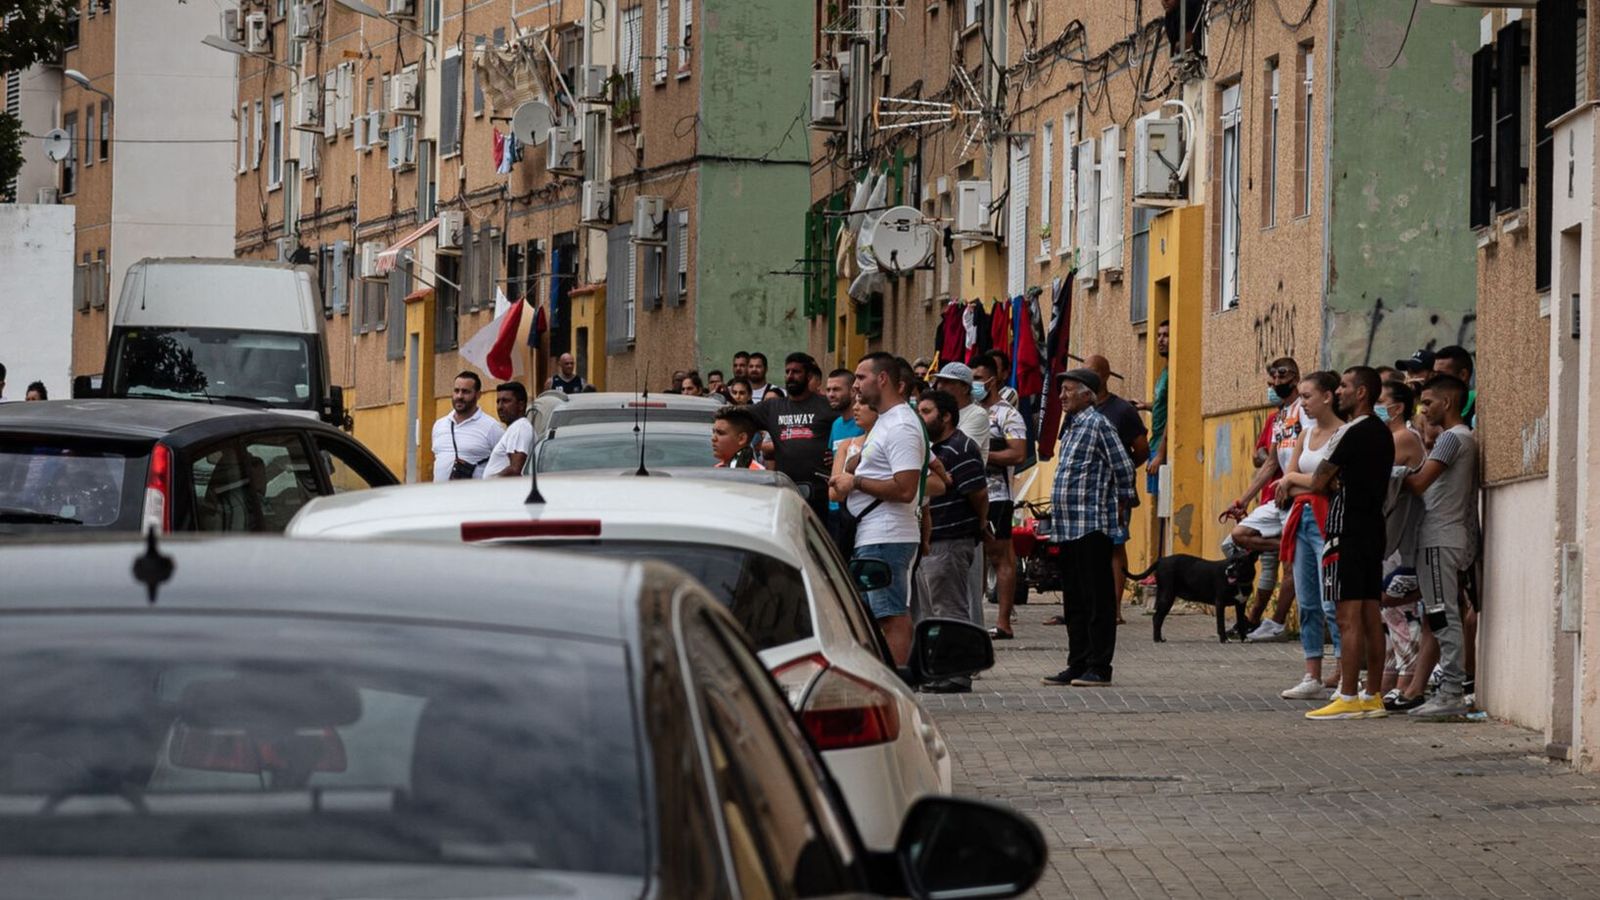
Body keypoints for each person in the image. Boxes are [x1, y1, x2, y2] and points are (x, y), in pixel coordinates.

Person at [1304, 366, 1396, 721]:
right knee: (1372, 614)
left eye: (1343, 386)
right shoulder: (1383, 433)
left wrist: (1333, 481)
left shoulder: (1351, 431)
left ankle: (1347, 694)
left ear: (1361, 393)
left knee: (1347, 616)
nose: (1338, 391)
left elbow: (1318, 480)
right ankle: (1373, 694)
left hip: (1346, 529)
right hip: (1374, 527)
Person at [1040, 368, 1136, 688]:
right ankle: (1077, 662)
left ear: (1087, 394)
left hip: (1092, 524)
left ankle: (1099, 666)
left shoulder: (1098, 424)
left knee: (1097, 599)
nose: (1062, 396)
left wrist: (1121, 505)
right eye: (1061, 391)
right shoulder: (1070, 427)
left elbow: (1123, 468)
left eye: (1068, 390)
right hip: (1068, 527)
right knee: (1074, 600)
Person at [831, 352, 928, 665]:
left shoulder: (901, 425)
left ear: (882, 379)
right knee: (876, 616)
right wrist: (859, 466)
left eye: (861, 378)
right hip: (874, 534)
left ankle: (899, 685)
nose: (855, 386)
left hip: (889, 535)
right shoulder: (886, 422)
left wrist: (855, 483)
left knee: (891, 616)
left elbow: (905, 488)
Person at [1399, 375, 1479, 718]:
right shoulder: (1464, 438)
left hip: (1439, 538)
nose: (1422, 408)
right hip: (1448, 538)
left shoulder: (1451, 439)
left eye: (1428, 402)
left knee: (1441, 615)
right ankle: (1449, 689)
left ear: (1447, 403)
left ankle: (1450, 693)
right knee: (1442, 613)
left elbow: (1419, 484)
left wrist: (1395, 475)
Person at [1275, 371, 1345, 700]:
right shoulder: (1305, 432)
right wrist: (1295, 480)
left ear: (1327, 396)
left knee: (1333, 600)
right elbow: (1291, 474)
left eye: (1307, 396)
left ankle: (1345, 671)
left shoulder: (1342, 434)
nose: (1302, 402)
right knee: (1308, 600)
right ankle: (1312, 673)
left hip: (1327, 517)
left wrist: (1293, 482)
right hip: (1301, 517)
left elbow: (1327, 481)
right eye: (1301, 396)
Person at [1222, 357, 1302, 641]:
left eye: (1281, 378)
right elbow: (1269, 463)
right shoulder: (1280, 417)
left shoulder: (1305, 410)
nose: (1277, 384)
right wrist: (1242, 500)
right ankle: (1289, 545)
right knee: (1239, 535)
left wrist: (1290, 479)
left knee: (1290, 568)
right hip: (1276, 496)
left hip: (1298, 493)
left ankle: (1277, 622)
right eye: (1272, 381)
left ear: (1294, 377)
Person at [916, 390, 989, 693]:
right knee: (937, 608)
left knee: (951, 607)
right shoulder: (934, 449)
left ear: (945, 416)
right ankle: (944, 668)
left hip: (952, 539)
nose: (920, 417)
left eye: (926, 411)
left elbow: (979, 493)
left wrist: (980, 524)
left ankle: (959, 673)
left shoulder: (960, 448)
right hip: (936, 540)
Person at [1086, 354, 1150, 625]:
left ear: (1105, 376)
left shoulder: (1123, 410)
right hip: (1086, 494)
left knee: (1115, 545)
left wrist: (1120, 472)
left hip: (1115, 493)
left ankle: (1115, 609)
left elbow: (1142, 450)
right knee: (1089, 547)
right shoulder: (1080, 409)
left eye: (1092, 373)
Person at [973, 354, 1028, 640]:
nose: (974, 384)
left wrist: (983, 456)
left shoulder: (1008, 414)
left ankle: (1004, 622)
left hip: (997, 496)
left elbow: (1018, 453)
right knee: (973, 559)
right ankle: (974, 618)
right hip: (968, 494)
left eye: (978, 379)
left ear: (992, 381)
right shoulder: (967, 412)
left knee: (1000, 556)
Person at [753, 352, 838, 518]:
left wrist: (840, 455)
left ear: (808, 376)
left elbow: (852, 427)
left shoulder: (826, 405)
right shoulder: (773, 407)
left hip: (821, 495)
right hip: (786, 493)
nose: (790, 376)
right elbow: (741, 417)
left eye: (796, 372)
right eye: (787, 372)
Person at [430, 371, 505, 481]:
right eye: (456, 391)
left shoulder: (492, 427)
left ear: (478, 395)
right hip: (440, 496)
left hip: (475, 496)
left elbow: (503, 463)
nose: (459, 396)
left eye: (465, 392)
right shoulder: (439, 425)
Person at [825, 369, 864, 536]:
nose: (831, 394)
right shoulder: (836, 424)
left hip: (856, 504)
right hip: (834, 505)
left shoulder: (864, 423)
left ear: (853, 391)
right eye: (828, 390)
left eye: (836, 389)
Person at [929, 363, 990, 466]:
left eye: (947, 382)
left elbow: (957, 451)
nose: (940, 386)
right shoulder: (938, 412)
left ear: (965, 388)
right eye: (939, 381)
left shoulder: (977, 414)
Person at [1144, 320, 1171, 528]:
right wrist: (1145, 405)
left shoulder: (1172, 373)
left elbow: (1172, 415)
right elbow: (1163, 405)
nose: (1161, 340)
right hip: (1154, 444)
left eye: (1166, 335)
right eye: (1159, 335)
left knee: (1164, 508)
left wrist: (1161, 453)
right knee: (1156, 504)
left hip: (1161, 447)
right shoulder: (1164, 371)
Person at [483, 382, 534, 477]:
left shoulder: (520, 427)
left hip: (500, 490)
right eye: (498, 402)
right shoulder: (516, 427)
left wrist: (489, 483)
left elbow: (515, 470)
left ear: (521, 405)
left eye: (505, 401)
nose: (499, 407)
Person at [1432, 346, 1477, 427]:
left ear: (1463, 375)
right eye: (1434, 374)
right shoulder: (1434, 412)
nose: (1435, 380)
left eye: (1441, 375)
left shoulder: (1478, 408)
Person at [712, 405, 765, 469]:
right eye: (713, 432)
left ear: (741, 439)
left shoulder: (757, 474)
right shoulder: (716, 469)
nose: (713, 438)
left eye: (720, 433)